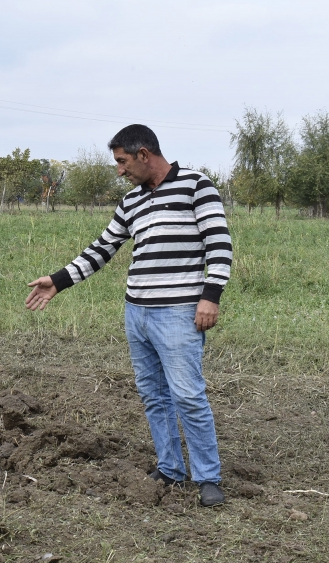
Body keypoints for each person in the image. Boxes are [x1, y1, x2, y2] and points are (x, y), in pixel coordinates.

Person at [24, 124, 232, 507]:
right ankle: (170, 469)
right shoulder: (132, 202)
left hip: (178, 313)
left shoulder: (196, 185)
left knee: (187, 395)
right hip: (137, 314)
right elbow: (103, 248)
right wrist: (58, 281)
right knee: (153, 395)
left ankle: (208, 477)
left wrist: (210, 296)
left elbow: (219, 244)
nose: (119, 170)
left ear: (144, 154)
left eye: (122, 161)